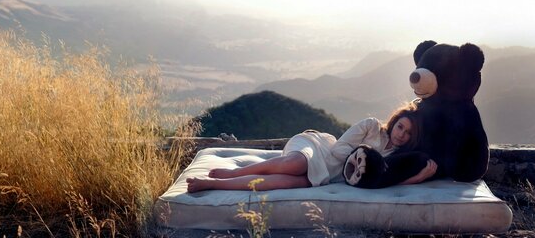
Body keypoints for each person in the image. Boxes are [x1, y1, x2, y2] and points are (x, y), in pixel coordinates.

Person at [186, 103, 437, 192]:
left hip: (331, 178)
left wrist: (419, 177)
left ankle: (215, 184)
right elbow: (340, 149)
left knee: (286, 183)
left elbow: (383, 183)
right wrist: (362, 159)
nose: (402, 134)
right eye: (401, 126)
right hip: (320, 147)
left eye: (409, 134)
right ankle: (233, 173)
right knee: (294, 165)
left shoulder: (394, 157)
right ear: (395, 121)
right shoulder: (372, 127)